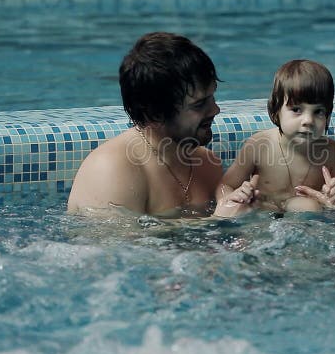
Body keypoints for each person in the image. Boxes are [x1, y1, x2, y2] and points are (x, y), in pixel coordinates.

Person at [68, 32, 222, 218]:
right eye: (199, 105)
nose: (215, 109)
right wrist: (219, 220)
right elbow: (118, 245)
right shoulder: (112, 170)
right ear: (155, 114)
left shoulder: (207, 166)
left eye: (212, 96)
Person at [214, 59, 335, 217]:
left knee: (307, 206)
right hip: (263, 213)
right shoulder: (259, 145)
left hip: (307, 219)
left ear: (328, 115)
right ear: (275, 111)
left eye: (318, 111)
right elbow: (225, 184)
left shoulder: (331, 152)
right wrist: (231, 198)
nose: (308, 121)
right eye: (297, 109)